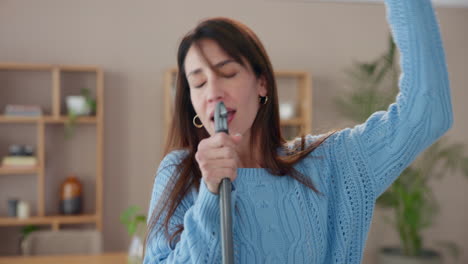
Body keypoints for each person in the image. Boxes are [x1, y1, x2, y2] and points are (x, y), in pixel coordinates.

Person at [144, 0, 453, 263]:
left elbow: (427, 112)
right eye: (197, 83)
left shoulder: (331, 164)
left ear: (262, 83)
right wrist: (210, 197)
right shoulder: (179, 173)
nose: (213, 91)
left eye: (227, 73)